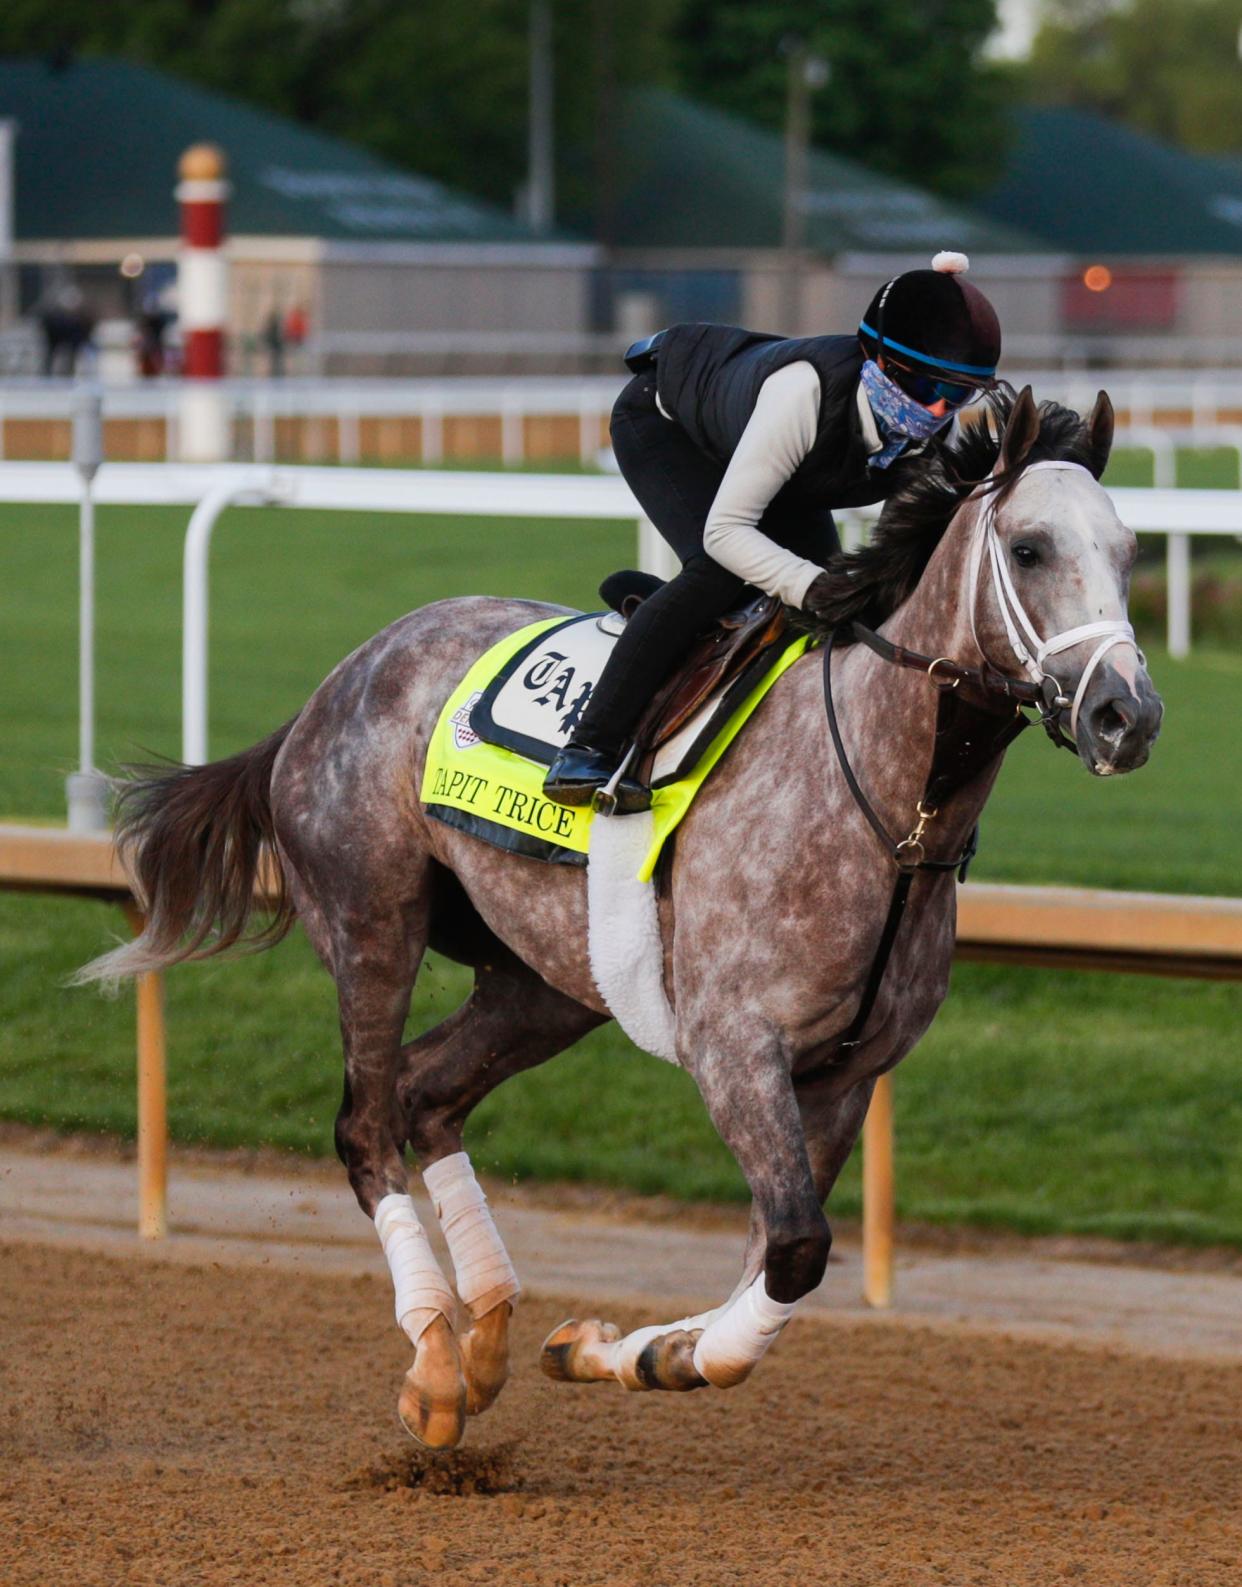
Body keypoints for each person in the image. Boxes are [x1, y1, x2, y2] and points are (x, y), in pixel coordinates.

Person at [542, 251, 1002, 811]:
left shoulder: (931, 432)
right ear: (877, 358)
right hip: (667, 425)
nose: (935, 408)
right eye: (925, 384)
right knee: (718, 572)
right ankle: (588, 749)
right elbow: (726, 532)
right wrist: (815, 587)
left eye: (957, 395)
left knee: (829, 616)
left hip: (787, 464)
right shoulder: (802, 394)